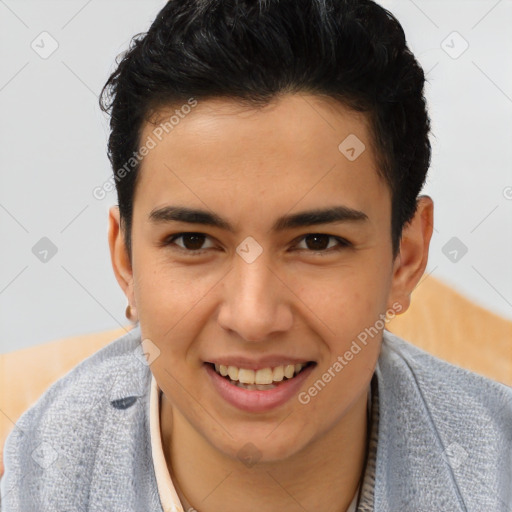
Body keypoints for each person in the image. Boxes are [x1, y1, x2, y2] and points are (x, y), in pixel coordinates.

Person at [1, 0, 511, 510]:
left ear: (407, 257)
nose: (253, 318)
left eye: (318, 242)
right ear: (126, 261)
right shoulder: (32, 479)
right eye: (193, 241)